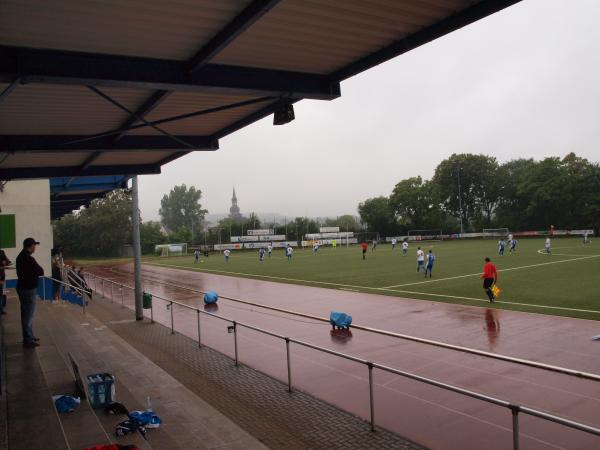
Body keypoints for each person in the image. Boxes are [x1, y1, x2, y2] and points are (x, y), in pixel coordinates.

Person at [16, 238, 44, 347]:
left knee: (26, 314)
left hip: (22, 288)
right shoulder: (28, 259)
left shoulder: (20, 256)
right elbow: (40, 271)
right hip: (28, 290)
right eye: (34, 246)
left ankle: (29, 336)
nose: (35, 248)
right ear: (31, 246)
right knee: (28, 315)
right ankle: (28, 340)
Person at [0, 248, 12, 315]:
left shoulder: (1, 252)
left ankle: (1, 310)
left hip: (1, 277)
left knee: (1, 294)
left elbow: (8, 261)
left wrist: (5, 262)